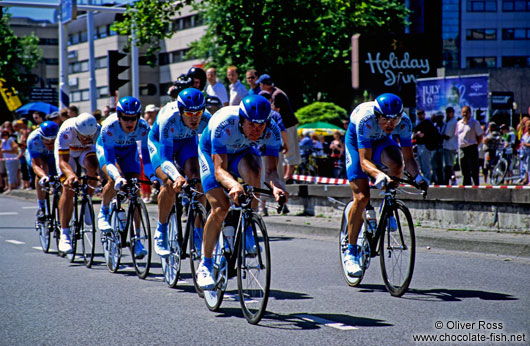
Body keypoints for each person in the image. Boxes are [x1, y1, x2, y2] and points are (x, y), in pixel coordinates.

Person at [195, 95, 288, 289]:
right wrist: (233, 185)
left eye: (261, 126)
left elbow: (271, 171)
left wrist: (277, 187)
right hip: (212, 154)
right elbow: (219, 170)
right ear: (242, 119)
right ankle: (205, 263)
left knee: (255, 172)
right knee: (220, 208)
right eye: (252, 125)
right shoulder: (225, 123)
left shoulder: (272, 130)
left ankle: (247, 229)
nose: (257, 130)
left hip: (241, 151)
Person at [343, 93, 427, 277]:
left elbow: (409, 159)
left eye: (395, 119)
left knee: (396, 164)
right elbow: (364, 162)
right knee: (362, 197)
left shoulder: (404, 122)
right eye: (385, 119)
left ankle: (387, 206)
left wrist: (419, 178)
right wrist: (379, 174)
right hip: (357, 145)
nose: (390, 124)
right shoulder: (366, 119)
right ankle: (351, 251)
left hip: (380, 140)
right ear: (376, 114)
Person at [148, 88, 211, 257]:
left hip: (186, 142)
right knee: (168, 183)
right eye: (189, 113)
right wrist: (177, 176)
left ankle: (197, 232)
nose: (195, 117)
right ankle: (161, 230)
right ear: (181, 111)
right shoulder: (169, 119)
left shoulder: (207, 119)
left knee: (197, 180)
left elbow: (213, 152)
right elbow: (166, 159)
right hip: (161, 144)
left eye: (198, 112)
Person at [95, 96, 154, 257]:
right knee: (114, 178)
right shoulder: (109, 126)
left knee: (134, 191)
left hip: (129, 151)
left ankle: (136, 239)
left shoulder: (143, 127)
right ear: (119, 117)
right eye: (126, 119)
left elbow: (147, 158)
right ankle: (104, 211)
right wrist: (118, 177)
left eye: (133, 118)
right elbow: (109, 160)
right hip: (109, 151)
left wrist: (152, 176)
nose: (130, 123)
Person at [55, 112, 100, 253]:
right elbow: (62, 162)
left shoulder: (98, 130)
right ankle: (64, 234)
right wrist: (72, 175)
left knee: (92, 167)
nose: (87, 139)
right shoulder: (67, 131)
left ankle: (87, 202)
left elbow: (102, 155)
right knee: (69, 187)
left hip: (85, 153)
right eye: (84, 137)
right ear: (77, 131)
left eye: (90, 137)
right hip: (67, 154)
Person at [258, 74, 300, 184]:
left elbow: (275, 112)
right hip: (284, 126)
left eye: (260, 84)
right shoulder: (273, 93)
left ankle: (287, 177)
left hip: (287, 125)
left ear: (264, 84)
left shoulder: (276, 95)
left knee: (289, 151)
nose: (260, 86)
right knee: (285, 153)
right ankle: (285, 177)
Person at [25, 121, 59, 221]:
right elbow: (35, 165)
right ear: (41, 137)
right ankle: (41, 206)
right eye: (47, 142)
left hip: (53, 156)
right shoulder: (33, 139)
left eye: (53, 142)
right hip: (38, 156)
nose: (50, 145)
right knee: (42, 169)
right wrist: (44, 176)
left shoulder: (61, 137)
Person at [456, 105, 484, 185]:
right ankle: (466, 187)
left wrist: (475, 145)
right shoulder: (459, 123)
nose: (465, 114)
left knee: (474, 170)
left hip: (472, 148)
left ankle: (476, 187)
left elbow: (480, 136)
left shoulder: (475, 123)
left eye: (466, 112)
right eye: (463, 112)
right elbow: (458, 136)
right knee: (464, 171)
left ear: (470, 113)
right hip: (462, 149)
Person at [413, 109, 438, 184]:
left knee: (426, 166)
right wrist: (417, 134)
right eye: (418, 114)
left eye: (421, 114)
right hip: (419, 146)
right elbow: (413, 136)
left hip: (425, 146)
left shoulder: (427, 123)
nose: (420, 115)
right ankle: (425, 181)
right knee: (421, 166)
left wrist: (419, 134)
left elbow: (425, 135)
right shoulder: (418, 124)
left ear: (424, 115)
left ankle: (427, 182)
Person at [442, 107, 458, 185]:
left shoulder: (453, 122)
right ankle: (448, 180)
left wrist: (440, 136)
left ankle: (453, 179)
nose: (448, 114)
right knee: (447, 165)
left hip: (450, 146)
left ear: (453, 113)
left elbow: (447, 135)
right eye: (447, 112)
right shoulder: (448, 122)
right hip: (447, 146)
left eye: (449, 112)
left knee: (449, 165)